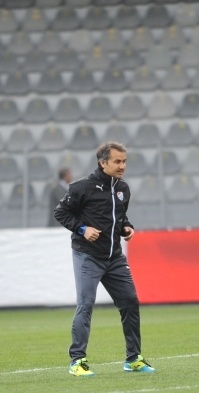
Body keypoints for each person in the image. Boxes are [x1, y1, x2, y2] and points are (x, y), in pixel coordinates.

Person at [53, 141, 155, 377]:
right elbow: (61, 212)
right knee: (86, 304)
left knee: (130, 301)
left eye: (124, 161)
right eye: (117, 161)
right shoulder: (81, 187)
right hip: (87, 255)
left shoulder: (123, 189)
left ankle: (133, 359)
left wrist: (126, 227)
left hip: (114, 257)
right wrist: (82, 229)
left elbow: (120, 217)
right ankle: (77, 361)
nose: (122, 166)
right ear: (103, 163)